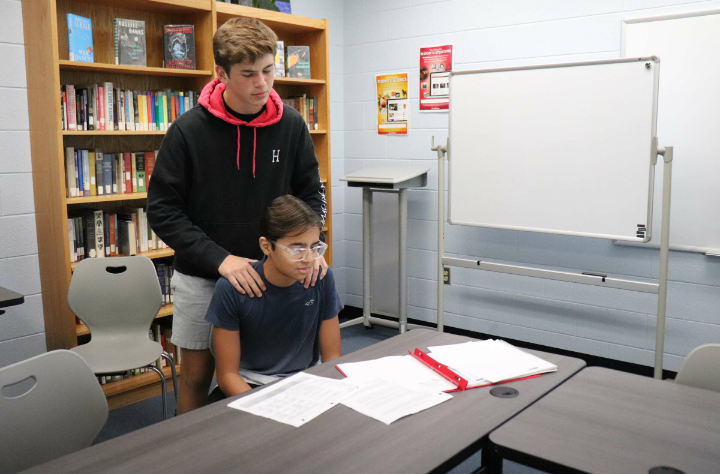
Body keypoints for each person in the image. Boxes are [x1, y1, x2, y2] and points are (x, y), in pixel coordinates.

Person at [147, 17, 328, 414]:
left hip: (275, 274)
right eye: (248, 74)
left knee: (272, 373)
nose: (261, 84)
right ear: (221, 73)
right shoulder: (188, 130)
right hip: (204, 275)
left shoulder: (292, 126)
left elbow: (312, 194)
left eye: (268, 71)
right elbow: (161, 209)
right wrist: (221, 260)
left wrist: (312, 248)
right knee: (196, 376)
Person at [206, 196, 342, 397]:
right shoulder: (232, 288)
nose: (308, 259)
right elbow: (227, 376)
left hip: (305, 380)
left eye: (314, 247)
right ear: (266, 246)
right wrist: (267, 405)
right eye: (296, 249)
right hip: (249, 383)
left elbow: (333, 358)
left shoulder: (321, 278)